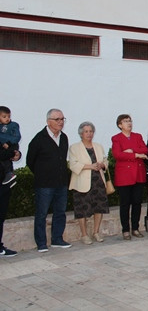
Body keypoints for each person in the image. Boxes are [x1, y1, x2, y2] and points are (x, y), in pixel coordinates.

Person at [26, 108, 71, 252]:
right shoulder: (39, 139)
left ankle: (57, 239)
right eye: (57, 119)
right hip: (45, 184)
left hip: (61, 182)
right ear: (48, 121)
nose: (60, 122)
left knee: (60, 212)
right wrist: (43, 173)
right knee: (41, 213)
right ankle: (41, 243)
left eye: (62, 119)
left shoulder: (64, 137)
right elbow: (30, 161)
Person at [68, 122, 110, 245]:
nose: (89, 134)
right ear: (81, 133)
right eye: (86, 131)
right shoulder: (74, 147)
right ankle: (84, 234)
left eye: (91, 131)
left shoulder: (98, 146)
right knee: (82, 209)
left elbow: (105, 160)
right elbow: (73, 165)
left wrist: (102, 165)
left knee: (99, 207)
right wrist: (90, 166)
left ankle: (96, 232)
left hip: (98, 181)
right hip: (82, 182)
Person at [111, 114, 148, 240]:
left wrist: (131, 150)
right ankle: (125, 230)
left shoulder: (138, 136)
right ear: (120, 125)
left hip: (138, 174)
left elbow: (145, 149)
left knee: (137, 202)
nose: (129, 123)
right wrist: (137, 155)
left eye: (130, 120)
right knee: (125, 204)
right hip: (124, 176)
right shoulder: (116, 138)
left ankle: (135, 228)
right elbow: (117, 155)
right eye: (125, 121)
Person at [0, 144, 20, 256]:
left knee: (1, 216)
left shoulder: (7, 132)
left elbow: (12, 148)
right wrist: (12, 153)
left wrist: (17, 154)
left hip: (5, 181)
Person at [0, 106, 20, 186]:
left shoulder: (13, 125)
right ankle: (10, 178)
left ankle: (9, 174)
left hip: (10, 146)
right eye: (4, 117)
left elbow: (17, 137)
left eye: (8, 116)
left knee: (6, 161)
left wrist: (9, 143)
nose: (7, 118)